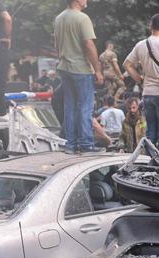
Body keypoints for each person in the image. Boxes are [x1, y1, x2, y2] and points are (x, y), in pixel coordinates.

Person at [124, 14, 159, 158]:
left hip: (148, 93)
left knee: (151, 133)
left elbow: (127, 64)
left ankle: (149, 162)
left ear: (150, 26)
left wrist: (139, 79)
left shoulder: (141, 45)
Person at [54, 0, 104, 154]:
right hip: (81, 69)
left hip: (64, 67)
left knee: (69, 106)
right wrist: (98, 70)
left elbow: (56, 44)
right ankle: (86, 145)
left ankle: (70, 144)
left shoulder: (59, 18)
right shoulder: (82, 18)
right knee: (84, 107)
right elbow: (89, 45)